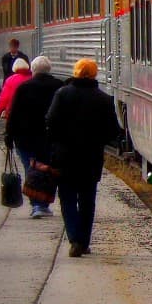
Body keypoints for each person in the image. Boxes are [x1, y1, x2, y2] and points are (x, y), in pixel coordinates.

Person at [45, 58, 119, 257]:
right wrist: (98, 141)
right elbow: (113, 131)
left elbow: (50, 122)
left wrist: (56, 143)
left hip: (64, 157)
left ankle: (74, 239)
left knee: (67, 198)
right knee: (87, 201)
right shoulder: (103, 99)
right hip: (91, 158)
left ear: (75, 72)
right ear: (94, 74)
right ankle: (83, 241)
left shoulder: (62, 94)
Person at [4, 56, 61, 219]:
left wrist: (9, 135)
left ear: (33, 70)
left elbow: (14, 114)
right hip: (49, 138)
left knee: (30, 169)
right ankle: (42, 204)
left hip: (25, 138)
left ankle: (37, 204)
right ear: (49, 69)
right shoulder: (59, 86)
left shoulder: (24, 88)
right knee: (47, 171)